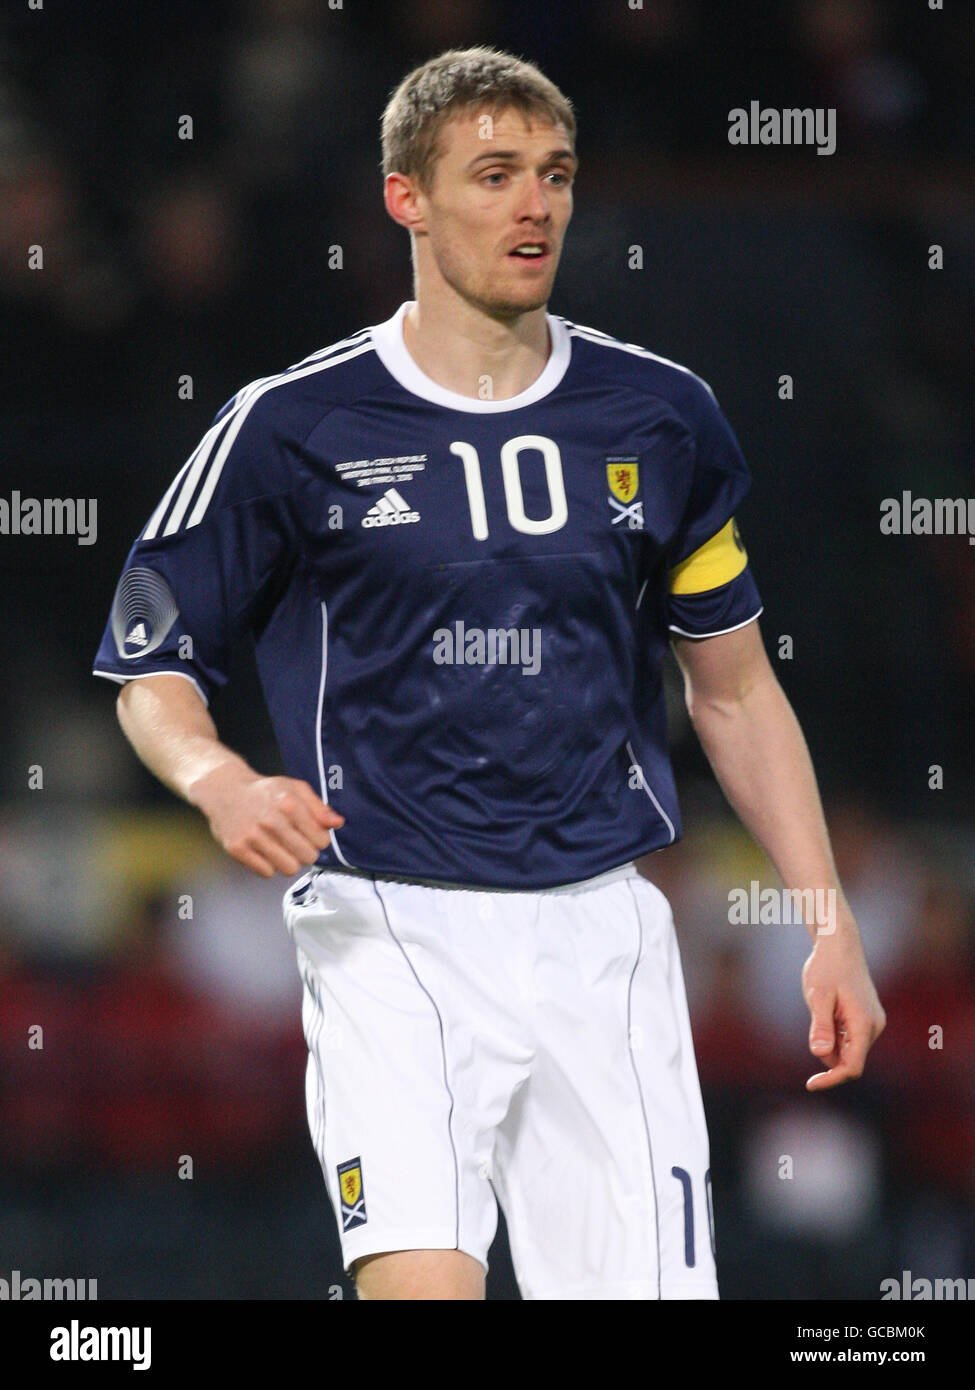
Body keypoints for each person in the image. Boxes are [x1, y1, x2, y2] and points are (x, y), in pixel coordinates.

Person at [93, 46, 885, 1301]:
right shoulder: (291, 425)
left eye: (556, 175)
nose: (536, 205)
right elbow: (150, 664)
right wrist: (220, 780)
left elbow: (731, 687)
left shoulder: (660, 417)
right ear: (408, 196)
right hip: (389, 928)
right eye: (497, 174)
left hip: (604, 931)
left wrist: (824, 919)